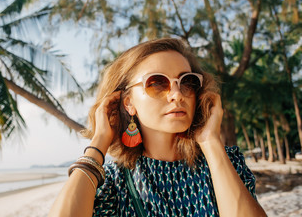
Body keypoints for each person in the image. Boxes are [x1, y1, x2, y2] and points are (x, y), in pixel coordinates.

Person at [49, 38, 266, 216]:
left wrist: (210, 141)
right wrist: (99, 141)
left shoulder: (226, 162)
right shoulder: (115, 183)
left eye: (187, 81)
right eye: (156, 83)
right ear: (128, 102)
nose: (177, 94)